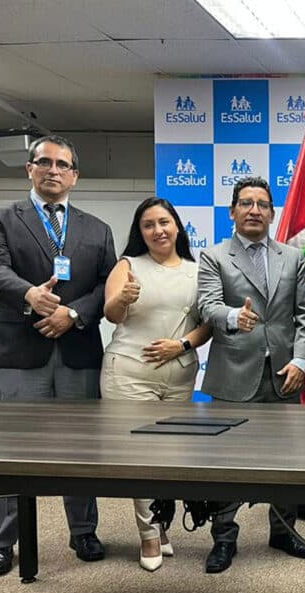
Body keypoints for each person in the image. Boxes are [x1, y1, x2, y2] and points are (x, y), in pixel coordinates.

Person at [0, 135, 116, 577]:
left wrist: (72, 314)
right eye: (44, 162)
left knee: (81, 450)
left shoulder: (98, 229)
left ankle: (84, 531)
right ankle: (1, 544)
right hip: (20, 351)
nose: (53, 170)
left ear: (75, 175)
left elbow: (106, 285)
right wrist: (30, 295)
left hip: (77, 351)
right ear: (29, 169)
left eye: (62, 164)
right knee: (9, 452)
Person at [196, 176, 305, 574]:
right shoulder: (214, 255)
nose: (254, 210)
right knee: (226, 462)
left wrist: (301, 361)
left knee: (288, 460)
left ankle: (284, 532)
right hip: (233, 374)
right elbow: (207, 305)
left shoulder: (292, 257)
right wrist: (234, 316)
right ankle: (223, 539)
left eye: (262, 204)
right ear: (232, 212)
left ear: (272, 213)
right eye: (246, 203)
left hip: (284, 375)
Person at [101, 197, 212, 571]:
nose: (157, 230)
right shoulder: (128, 265)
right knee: (140, 457)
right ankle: (148, 536)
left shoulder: (198, 270)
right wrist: (123, 298)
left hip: (179, 376)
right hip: (129, 373)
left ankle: (161, 525)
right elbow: (112, 313)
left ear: (177, 226)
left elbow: (207, 324)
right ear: (140, 231)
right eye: (148, 225)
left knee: (169, 457)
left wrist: (182, 344)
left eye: (164, 222)